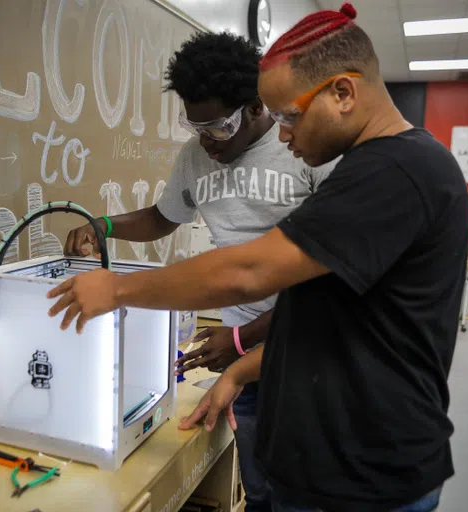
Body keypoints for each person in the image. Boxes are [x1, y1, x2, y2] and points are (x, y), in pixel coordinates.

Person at [49, 3, 468, 511]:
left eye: (290, 116)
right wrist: (240, 373)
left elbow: (253, 271)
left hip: (363, 480)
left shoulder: (396, 173)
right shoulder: (378, 166)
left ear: (343, 92)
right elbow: (325, 309)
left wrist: (116, 290)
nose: (285, 134)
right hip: (322, 459)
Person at [63, 31, 334, 512]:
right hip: (239, 354)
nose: (208, 141)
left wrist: (241, 339)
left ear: (256, 109)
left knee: (307, 490)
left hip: (304, 348)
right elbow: (162, 218)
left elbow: (325, 278)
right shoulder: (196, 157)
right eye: (197, 127)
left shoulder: (304, 151)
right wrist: (101, 225)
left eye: (220, 127)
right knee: (261, 489)